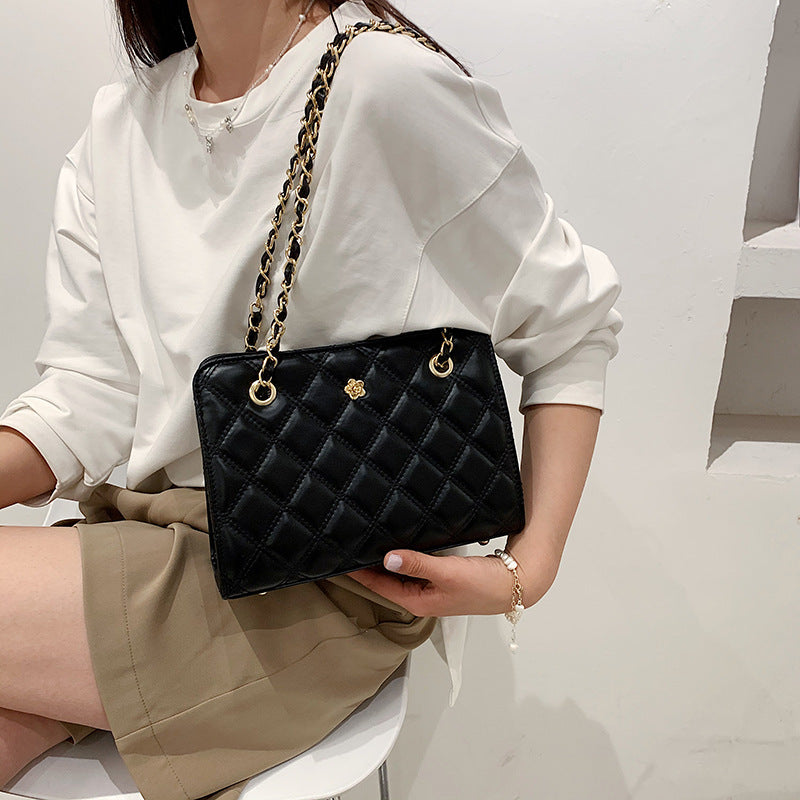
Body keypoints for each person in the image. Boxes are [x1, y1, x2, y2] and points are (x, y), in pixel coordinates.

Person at [0, 0, 624, 797]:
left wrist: (526, 571)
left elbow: (570, 325)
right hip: (148, 531)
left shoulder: (386, 86)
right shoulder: (120, 125)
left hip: (322, 583)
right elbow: (91, 392)